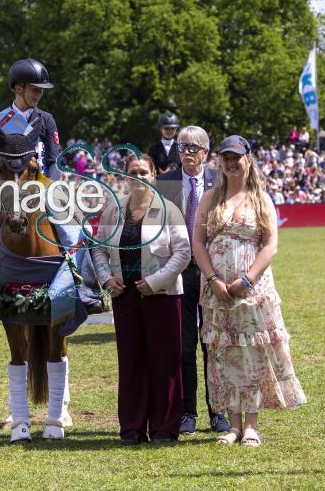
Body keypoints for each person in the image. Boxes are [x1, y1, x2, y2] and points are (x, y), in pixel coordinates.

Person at [193, 135, 306, 446]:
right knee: (223, 353)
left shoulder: (261, 199)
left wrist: (247, 279)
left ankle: (252, 425)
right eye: (226, 157)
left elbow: (270, 245)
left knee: (252, 353)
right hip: (217, 291)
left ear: (248, 159)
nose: (231, 163)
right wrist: (213, 279)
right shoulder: (210, 198)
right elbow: (198, 243)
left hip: (252, 292)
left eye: (236, 157)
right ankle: (232, 425)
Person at [93, 153, 191, 445]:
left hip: (161, 297)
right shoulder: (113, 210)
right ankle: (133, 427)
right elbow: (98, 249)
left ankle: (164, 428)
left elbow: (183, 253)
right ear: (125, 176)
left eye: (144, 172)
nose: (138, 176)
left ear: (153, 176)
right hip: (125, 298)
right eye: (132, 171)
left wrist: (155, 281)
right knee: (132, 363)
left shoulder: (169, 210)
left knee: (165, 362)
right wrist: (107, 279)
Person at [155, 126, 230, 435]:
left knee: (213, 343)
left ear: (205, 153)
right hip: (179, 272)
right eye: (181, 148)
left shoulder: (220, 180)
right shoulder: (166, 183)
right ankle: (188, 412)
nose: (185, 153)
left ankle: (218, 411)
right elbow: (157, 227)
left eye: (192, 148)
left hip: (214, 272)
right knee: (185, 345)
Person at [0, 58, 61, 181]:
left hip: (40, 189)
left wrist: (50, 186)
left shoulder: (47, 120)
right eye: (35, 89)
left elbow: (54, 162)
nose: (39, 94)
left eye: (41, 90)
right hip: (6, 190)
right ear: (19, 88)